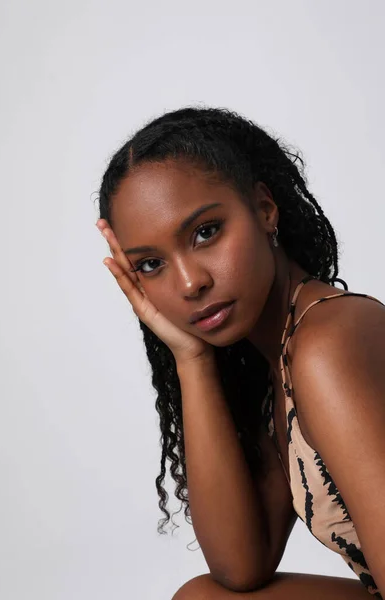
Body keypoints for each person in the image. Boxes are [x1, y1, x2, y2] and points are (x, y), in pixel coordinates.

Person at [95, 106, 385, 599]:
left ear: (264, 209)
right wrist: (191, 359)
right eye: (151, 264)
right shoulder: (280, 358)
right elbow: (239, 566)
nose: (190, 282)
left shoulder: (328, 341)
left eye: (205, 232)